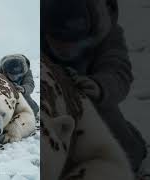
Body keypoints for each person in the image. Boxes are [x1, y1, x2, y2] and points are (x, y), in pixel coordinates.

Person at [42, 0, 147, 172]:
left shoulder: (105, 33)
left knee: (126, 154)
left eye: (71, 41)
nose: (64, 48)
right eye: (57, 40)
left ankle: (130, 136)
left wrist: (99, 86)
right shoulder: (41, 23)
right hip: (52, 99)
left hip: (92, 99)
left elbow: (117, 70)